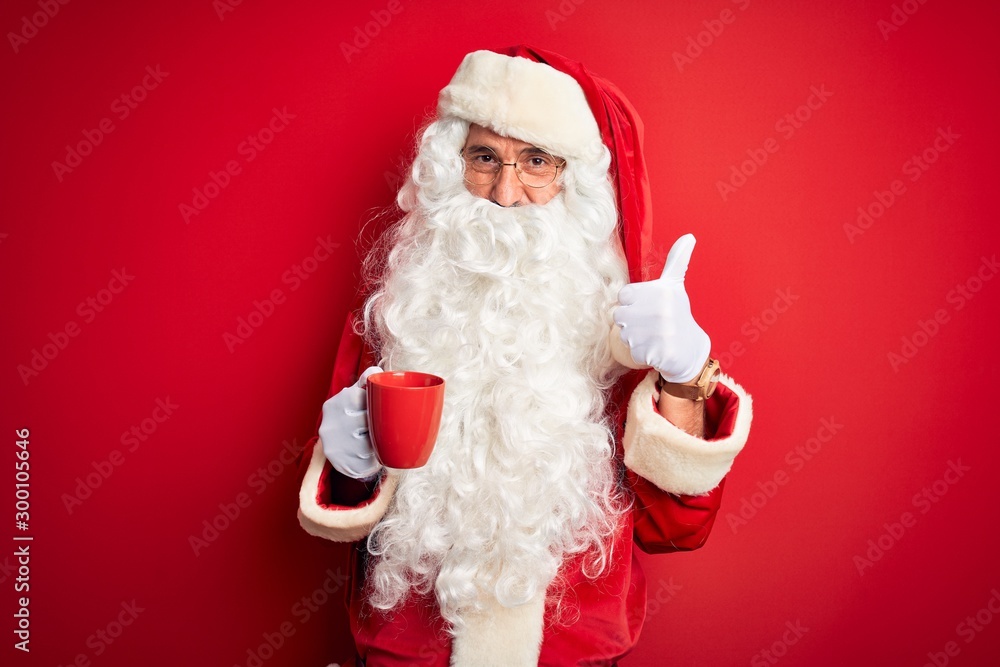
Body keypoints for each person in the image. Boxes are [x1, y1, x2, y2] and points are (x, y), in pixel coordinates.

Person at [298, 46, 753, 666]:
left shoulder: (626, 329)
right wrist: (345, 466)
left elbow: (676, 527)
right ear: (448, 165)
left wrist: (683, 374)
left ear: (575, 181)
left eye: (536, 162)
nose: (504, 193)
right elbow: (339, 510)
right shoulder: (398, 308)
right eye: (484, 157)